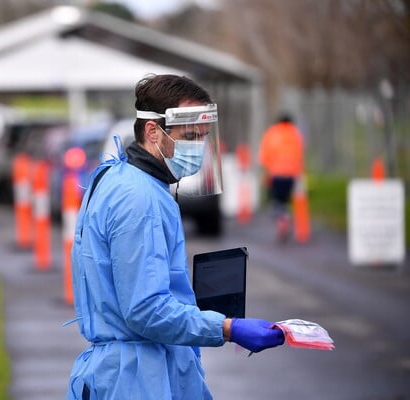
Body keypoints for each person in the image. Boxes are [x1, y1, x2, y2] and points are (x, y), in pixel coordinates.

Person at [65, 74, 284, 400]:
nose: (198, 148)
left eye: (204, 138)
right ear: (153, 131)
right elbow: (145, 310)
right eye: (191, 136)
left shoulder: (119, 176)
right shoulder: (139, 198)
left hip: (134, 370)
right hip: (138, 379)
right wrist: (227, 329)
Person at [257, 113, 305, 241]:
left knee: (276, 201)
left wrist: (265, 173)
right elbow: (300, 154)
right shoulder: (295, 134)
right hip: (291, 175)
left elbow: (265, 154)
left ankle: (282, 222)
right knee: (284, 200)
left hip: (276, 174)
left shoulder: (272, 133)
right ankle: (285, 219)